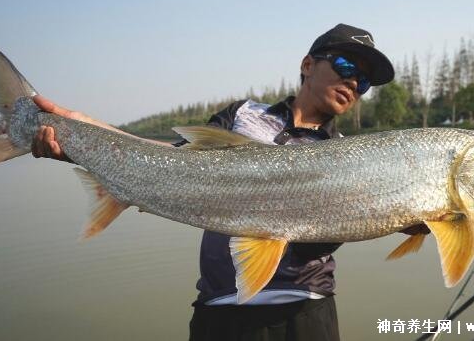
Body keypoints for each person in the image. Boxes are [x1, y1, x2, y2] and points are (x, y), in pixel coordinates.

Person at [31, 24, 395, 341]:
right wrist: (85, 133)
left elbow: (312, 247)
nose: (353, 83)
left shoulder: (350, 155)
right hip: (221, 308)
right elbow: (173, 162)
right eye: (346, 66)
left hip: (306, 309)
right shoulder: (242, 115)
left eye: (363, 81)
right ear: (307, 64)